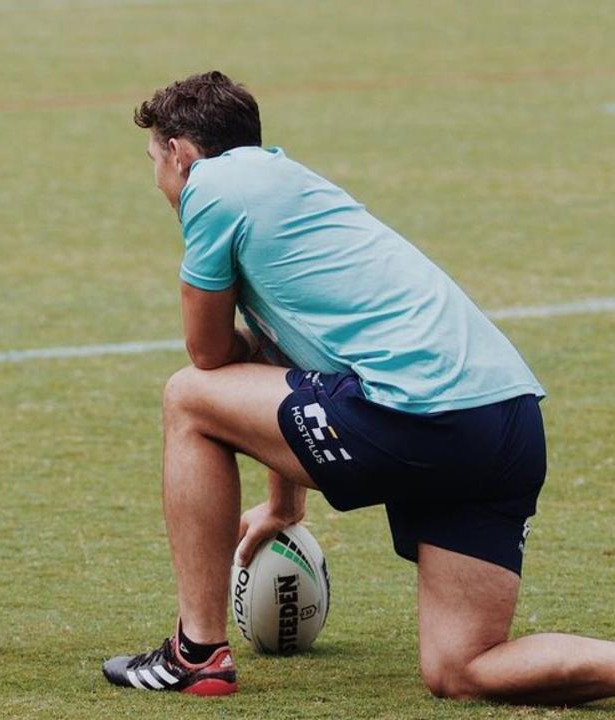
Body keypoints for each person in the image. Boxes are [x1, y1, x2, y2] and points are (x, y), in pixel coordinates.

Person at [101, 70, 615, 703]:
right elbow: (288, 362)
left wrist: (241, 346)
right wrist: (285, 507)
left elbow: (209, 355)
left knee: (188, 398)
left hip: (420, 416)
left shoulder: (213, 185)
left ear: (179, 152)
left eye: (153, 160)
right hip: (504, 423)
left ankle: (197, 654)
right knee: (463, 668)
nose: (157, 179)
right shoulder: (292, 190)